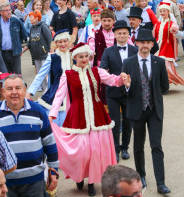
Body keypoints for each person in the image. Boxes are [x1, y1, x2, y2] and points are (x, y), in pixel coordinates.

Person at [49, 43, 128, 196]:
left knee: (95, 151)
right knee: (81, 152)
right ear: (75, 58)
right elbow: (60, 94)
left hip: (98, 116)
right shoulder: (68, 74)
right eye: (81, 57)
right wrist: (52, 113)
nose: (84, 59)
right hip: (78, 117)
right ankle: (79, 177)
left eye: (87, 56)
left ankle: (91, 183)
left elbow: (113, 80)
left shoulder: (96, 71)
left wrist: (122, 78)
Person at [0, 74, 59, 197]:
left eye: (18, 88)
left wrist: (54, 170)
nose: (14, 92)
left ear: (24, 89)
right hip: (4, 183)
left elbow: (49, 142)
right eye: (9, 89)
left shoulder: (38, 111)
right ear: (3, 91)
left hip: (35, 181)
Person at [121, 28, 170, 194]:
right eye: (142, 42)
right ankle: (140, 175)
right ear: (136, 44)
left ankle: (161, 182)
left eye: (148, 42)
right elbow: (125, 88)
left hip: (154, 110)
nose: (145, 45)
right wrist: (127, 87)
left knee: (156, 146)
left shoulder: (159, 62)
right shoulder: (128, 63)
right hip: (137, 110)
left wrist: (153, 96)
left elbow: (165, 86)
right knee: (138, 146)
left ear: (152, 44)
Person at [99, 20, 137, 163]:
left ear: (128, 35)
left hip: (129, 92)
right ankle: (115, 149)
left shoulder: (134, 50)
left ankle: (125, 147)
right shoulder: (108, 51)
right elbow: (102, 68)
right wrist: (112, 78)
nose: (122, 35)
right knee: (114, 122)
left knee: (128, 121)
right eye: (119, 33)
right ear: (114, 35)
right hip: (113, 92)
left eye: (124, 33)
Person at [26, 30, 71, 126]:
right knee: (57, 124)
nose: (63, 44)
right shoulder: (52, 57)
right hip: (56, 93)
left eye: (65, 41)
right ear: (56, 43)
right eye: (60, 42)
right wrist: (30, 92)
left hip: (73, 95)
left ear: (69, 41)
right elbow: (40, 75)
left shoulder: (74, 56)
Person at [154, 2, 184, 86]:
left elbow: (175, 29)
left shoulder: (172, 23)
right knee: (157, 66)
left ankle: (166, 82)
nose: (162, 13)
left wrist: (174, 29)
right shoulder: (158, 24)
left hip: (167, 47)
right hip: (158, 48)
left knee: (166, 66)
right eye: (161, 11)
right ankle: (161, 83)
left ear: (168, 12)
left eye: (164, 11)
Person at [0, 2, 28, 74]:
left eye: (9, 10)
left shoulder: (16, 21)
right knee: (4, 75)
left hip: (15, 53)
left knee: (17, 75)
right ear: (0, 12)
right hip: (2, 53)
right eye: (6, 10)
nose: (9, 12)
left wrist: (18, 46)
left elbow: (24, 35)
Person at [21, 10, 52, 91]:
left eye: (31, 17)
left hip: (44, 54)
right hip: (36, 55)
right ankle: (43, 89)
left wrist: (51, 52)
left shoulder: (43, 27)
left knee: (45, 74)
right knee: (39, 75)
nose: (29, 19)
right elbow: (30, 42)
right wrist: (23, 50)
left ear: (36, 18)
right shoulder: (32, 28)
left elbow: (50, 40)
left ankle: (48, 90)